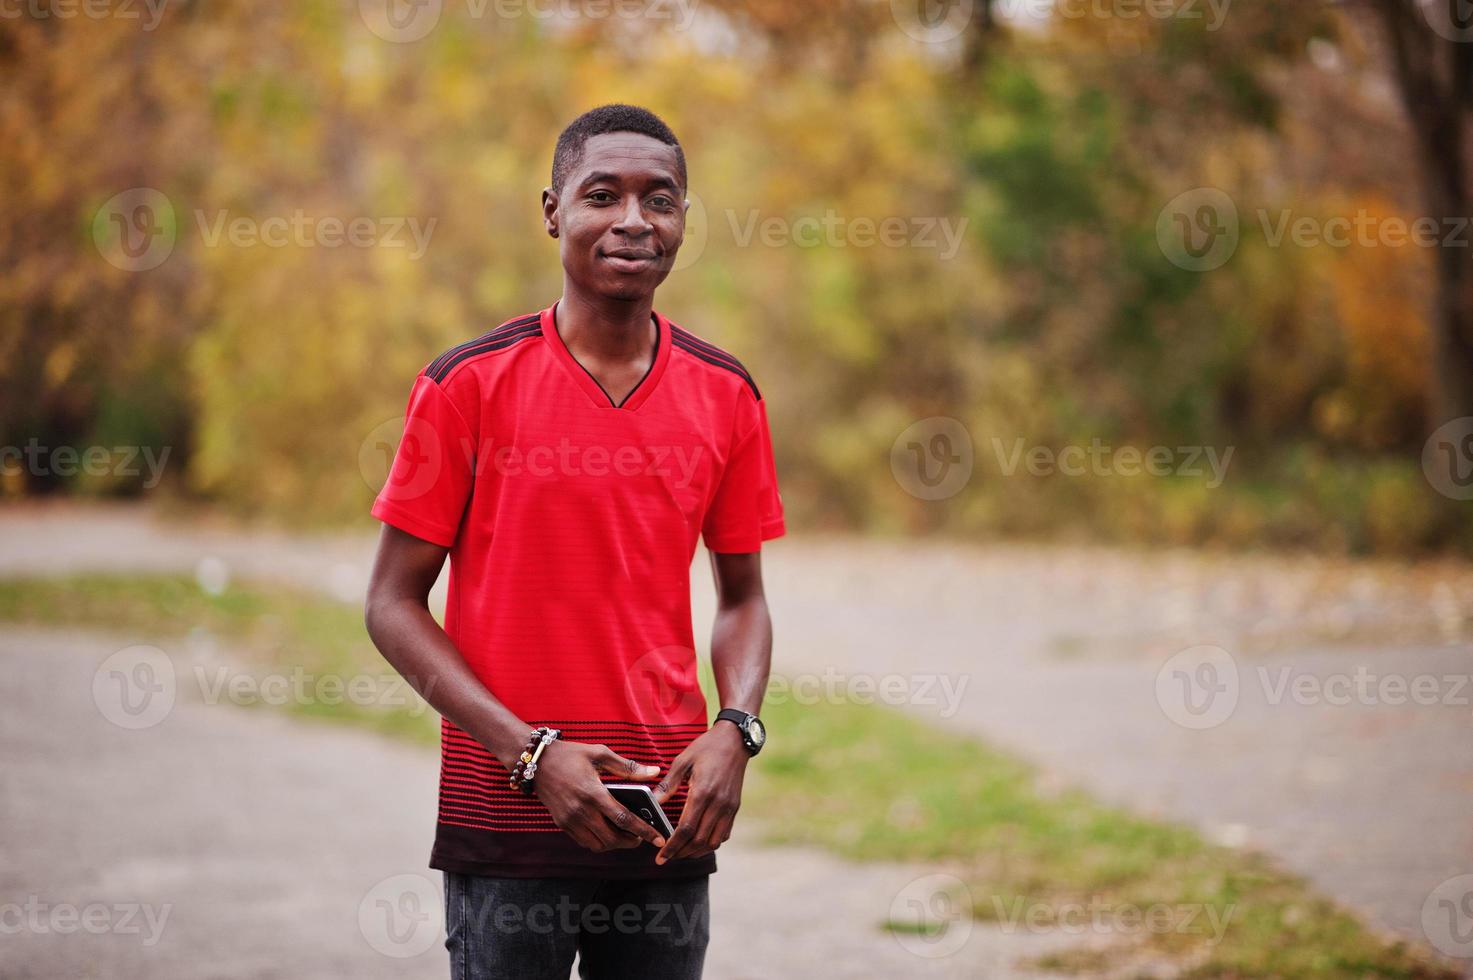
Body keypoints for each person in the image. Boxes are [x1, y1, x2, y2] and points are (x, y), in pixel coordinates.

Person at [363, 103, 785, 980]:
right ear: (552, 211)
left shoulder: (727, 394)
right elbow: (392, 604)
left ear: (682, 223)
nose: (634, 220)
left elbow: (742, 600)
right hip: (510, 813)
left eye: (659, 199)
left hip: (666, 814)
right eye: (603, 195)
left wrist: (734, 731)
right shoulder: (464, 386)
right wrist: (531, 753)